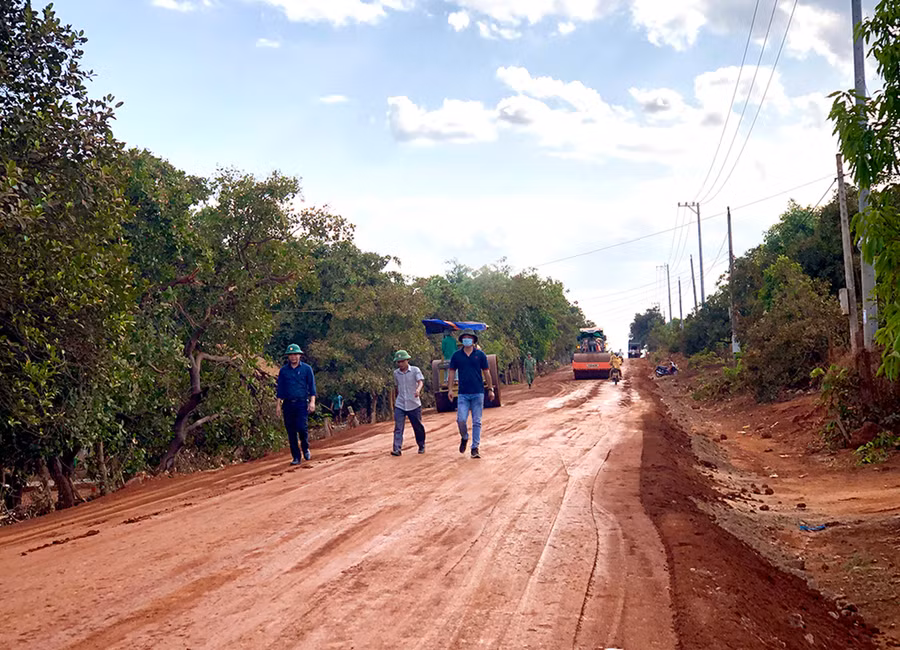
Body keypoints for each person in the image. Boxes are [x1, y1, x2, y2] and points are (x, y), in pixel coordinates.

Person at [448, 330, 493, 459]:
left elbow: (487, 373)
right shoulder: (456, 356)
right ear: (462, 340)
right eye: (465, 337)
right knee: (461, 419)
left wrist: (490, 389)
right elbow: (451, 373)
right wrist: (450, 389)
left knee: (476, 421)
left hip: (478, 392)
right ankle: (464, 437)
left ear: (473, 340)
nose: (467, 339)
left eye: (469, 337)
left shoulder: (481, 355)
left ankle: (475, 448)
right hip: (463, 394)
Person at [276, 343, 317, 465]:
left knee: (302, 428)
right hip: (288, 404)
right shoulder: (283, 371)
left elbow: (312, 386)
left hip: (301, 403)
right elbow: (280, 389)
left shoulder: (306, 369)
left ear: (300, 355)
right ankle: (296, 457)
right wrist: (278, 405)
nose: (293, 357)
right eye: (291, 355)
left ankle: (305, 448)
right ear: (288, 357)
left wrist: (312, 402)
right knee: (291, 431)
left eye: (295, 354)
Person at [391, 350, 426, 456]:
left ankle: (421, 445)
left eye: (402, 361)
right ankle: (397, 448)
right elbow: (397, 387)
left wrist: (418, 390)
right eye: (398, 362)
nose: (400, 364)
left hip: (414, 404)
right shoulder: (396, 373)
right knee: (398, 427)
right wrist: (395, 400)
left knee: (417, 426)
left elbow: (420, 382)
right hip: (400, 404)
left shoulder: (415, 370)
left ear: (407, 360)